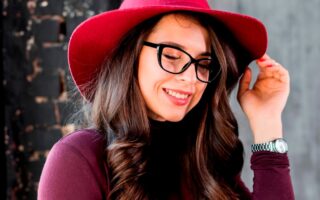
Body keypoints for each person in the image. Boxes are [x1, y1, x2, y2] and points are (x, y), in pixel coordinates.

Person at [38, 0, 294, 199]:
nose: (190, 77)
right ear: (130, 57)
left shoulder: (206, 161)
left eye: (203, 64)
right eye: (171, 56)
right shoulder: (79, 159)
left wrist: (267, 121)